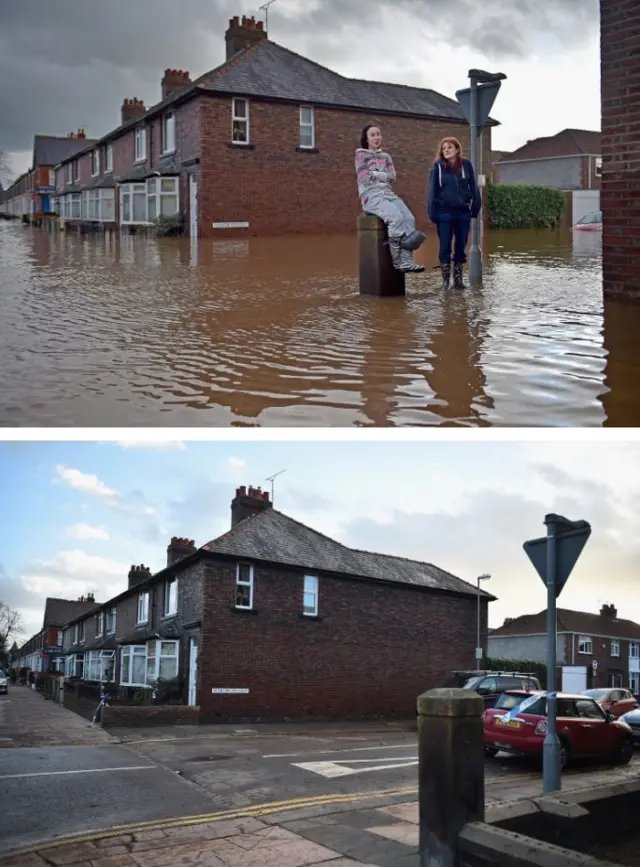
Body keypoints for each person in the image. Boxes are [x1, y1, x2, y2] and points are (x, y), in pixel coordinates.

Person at [355, 124, 426, 273]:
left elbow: (392, 178)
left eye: (378, 134)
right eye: (372, 135)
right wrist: (382, 176)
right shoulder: (361, 155)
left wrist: (375, 174)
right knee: (395, 218)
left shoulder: (386, 157)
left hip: (388, 194)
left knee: (409, 219)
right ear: (366, 139)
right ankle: (398, 261)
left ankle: (407, 261)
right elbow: (364, 178)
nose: (376, 137)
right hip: (370, 195)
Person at [427, 137, 481, 290]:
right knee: (445, 247)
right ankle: (445, 282)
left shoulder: (466, 165)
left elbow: (473, 187)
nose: (446, 150)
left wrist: (475, 208)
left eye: (450, 147)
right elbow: (432, 190)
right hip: (444, 213)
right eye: (444, 148)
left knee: (460, 247)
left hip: (462, 212)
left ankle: (458, 281)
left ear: (457, 149)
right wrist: (432, 212)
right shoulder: (437, 167)